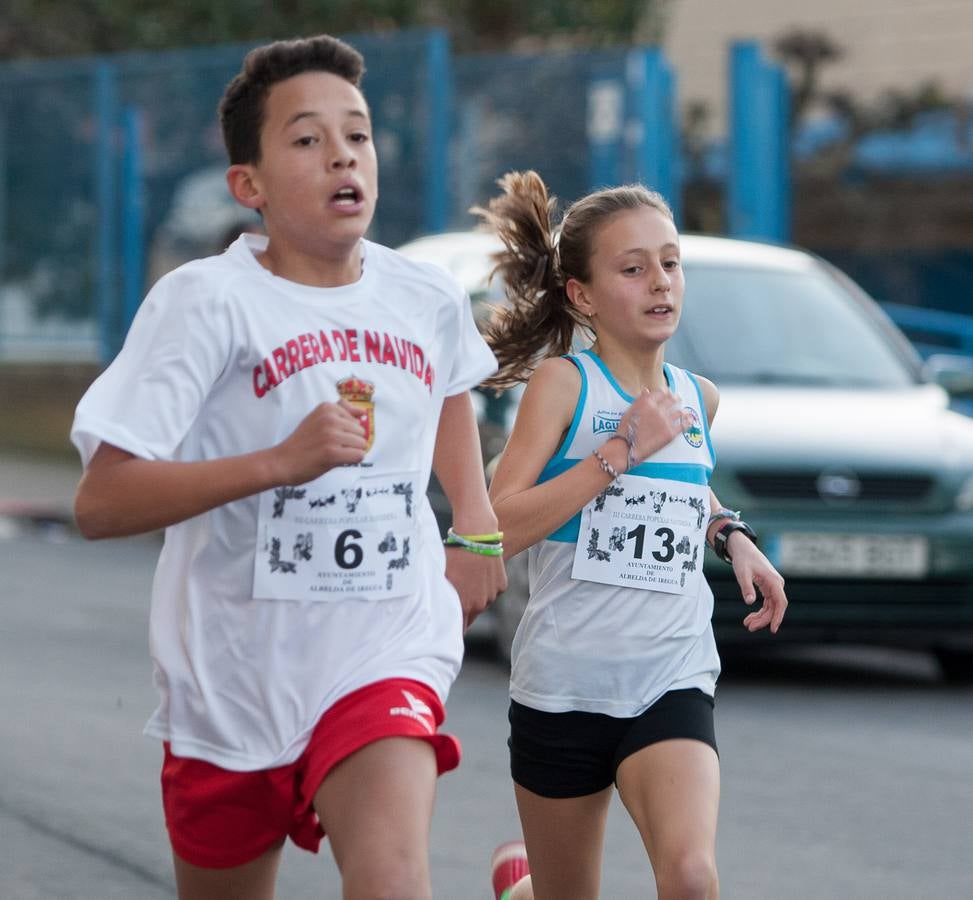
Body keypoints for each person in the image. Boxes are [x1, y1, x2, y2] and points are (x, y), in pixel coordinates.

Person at [71, 34, 506, 900]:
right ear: (250, 185)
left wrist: (478, 530)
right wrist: (279, 461)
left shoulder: (422, 295)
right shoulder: (205, 304)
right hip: (231, 676)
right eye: (307, 139)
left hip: (384, 645)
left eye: (359, 134)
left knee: (390, 881)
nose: (343, 154)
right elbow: (102, 502)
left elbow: (452, 388)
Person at [477, 171, 788, 900]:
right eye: (633, 267)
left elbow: (682, 486)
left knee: (689, 876)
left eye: (670, 262)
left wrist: (727, 531)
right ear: (582, 295)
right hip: (564, 686)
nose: (660, 282)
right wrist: (617, 452)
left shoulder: (696, 396)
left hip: (668, 675)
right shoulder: (562, 386)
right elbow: (492, 528)